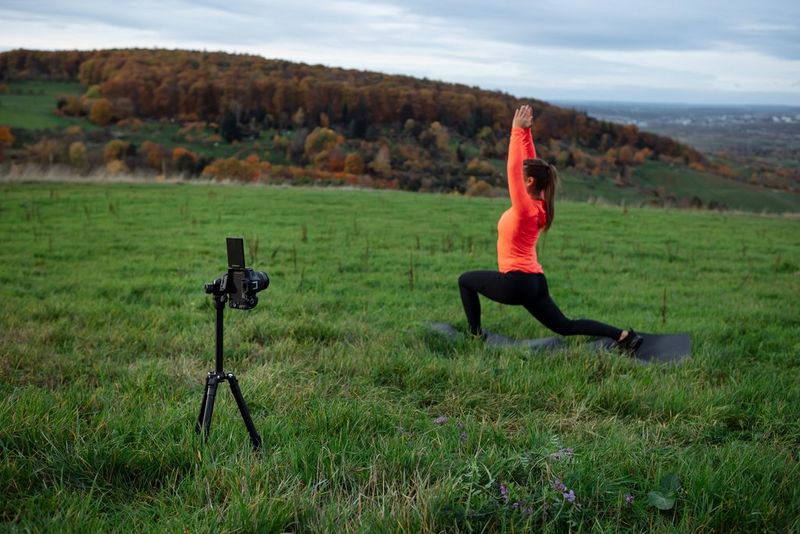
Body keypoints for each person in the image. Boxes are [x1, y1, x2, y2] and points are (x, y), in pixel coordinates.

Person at [458, 104, 643, 352]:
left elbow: (514, 169)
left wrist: (515, 131)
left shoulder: (524, 209)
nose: (518, 180)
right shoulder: (541, 205)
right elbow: (530, 164)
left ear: (530, 181)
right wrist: (525, 134)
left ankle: (475, 337)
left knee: (465, 281)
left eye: (525, 177)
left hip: (516, 283)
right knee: (565, 326)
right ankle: (623, 336)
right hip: (535, 281)